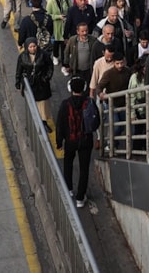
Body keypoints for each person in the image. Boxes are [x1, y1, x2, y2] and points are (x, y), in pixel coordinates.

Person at [55, 76, 94, 208]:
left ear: (70, 89)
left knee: (68, 164)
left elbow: (60, 124)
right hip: (86, 140)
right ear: (84, 89)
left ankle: (69, 189)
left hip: (70, 140)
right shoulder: (89, 103)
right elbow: (96, 121)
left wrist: (59, 141)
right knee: (84, 169)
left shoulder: (65, 104)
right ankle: (80, 198)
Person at [15, 37, 54, 133]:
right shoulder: (22, 57)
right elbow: (19, 70)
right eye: (30, 47)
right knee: (32, 104)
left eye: (34, 46)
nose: (33, 48)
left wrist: (46, 78)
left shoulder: (43, 55)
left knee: (43, 104)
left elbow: (50, 67)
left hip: (41, 84)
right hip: (29, 84)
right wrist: (18, 81)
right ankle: (33, 123)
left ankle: (44, 122)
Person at [98, 51, 132, 148]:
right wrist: (101, 93)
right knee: (116, 126)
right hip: (111, 103)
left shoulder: (127, 71)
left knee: (122, 126)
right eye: (117, 63)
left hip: (124, 103)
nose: (120, 65)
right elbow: (99, 86)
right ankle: (111, 144)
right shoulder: (108, 74)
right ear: (113, 63)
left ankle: (114, 143)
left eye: (121, 63)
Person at [46, 0, 71, 65]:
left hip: (65, 25)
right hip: (56, 26)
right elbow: (48, 15)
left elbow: (71, 9)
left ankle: (64, 61)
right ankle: (55, 56)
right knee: (56, 43)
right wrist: (58, 17)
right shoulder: (51, 1)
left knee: (64, 43)